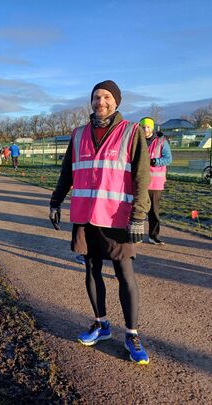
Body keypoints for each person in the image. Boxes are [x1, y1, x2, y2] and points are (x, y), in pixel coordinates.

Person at [49, 80, 151, 365]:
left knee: (124, 274)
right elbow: (67, 171)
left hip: (118, 216)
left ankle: (131, 334)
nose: (100, 101)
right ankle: (101, 323)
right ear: (91, 102)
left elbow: (143, 177)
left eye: (106, 97)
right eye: (96, 97)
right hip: (85, 214)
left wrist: (139, 215)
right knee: (91, 270)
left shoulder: (131, 132)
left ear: (116, 102)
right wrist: (55, 201)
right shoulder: (79, 133)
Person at [139, 118, 172, 245]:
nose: (145, 129)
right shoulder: (137, 140)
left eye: (148, 127)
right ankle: (134, 234)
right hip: (139, 180)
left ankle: (153, 236)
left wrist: (155, 161)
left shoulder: (162, 142)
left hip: (155, 182)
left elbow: (168, 159)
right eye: (143, 127)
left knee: (153, 210)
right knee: (136, 208)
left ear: (152, 128)